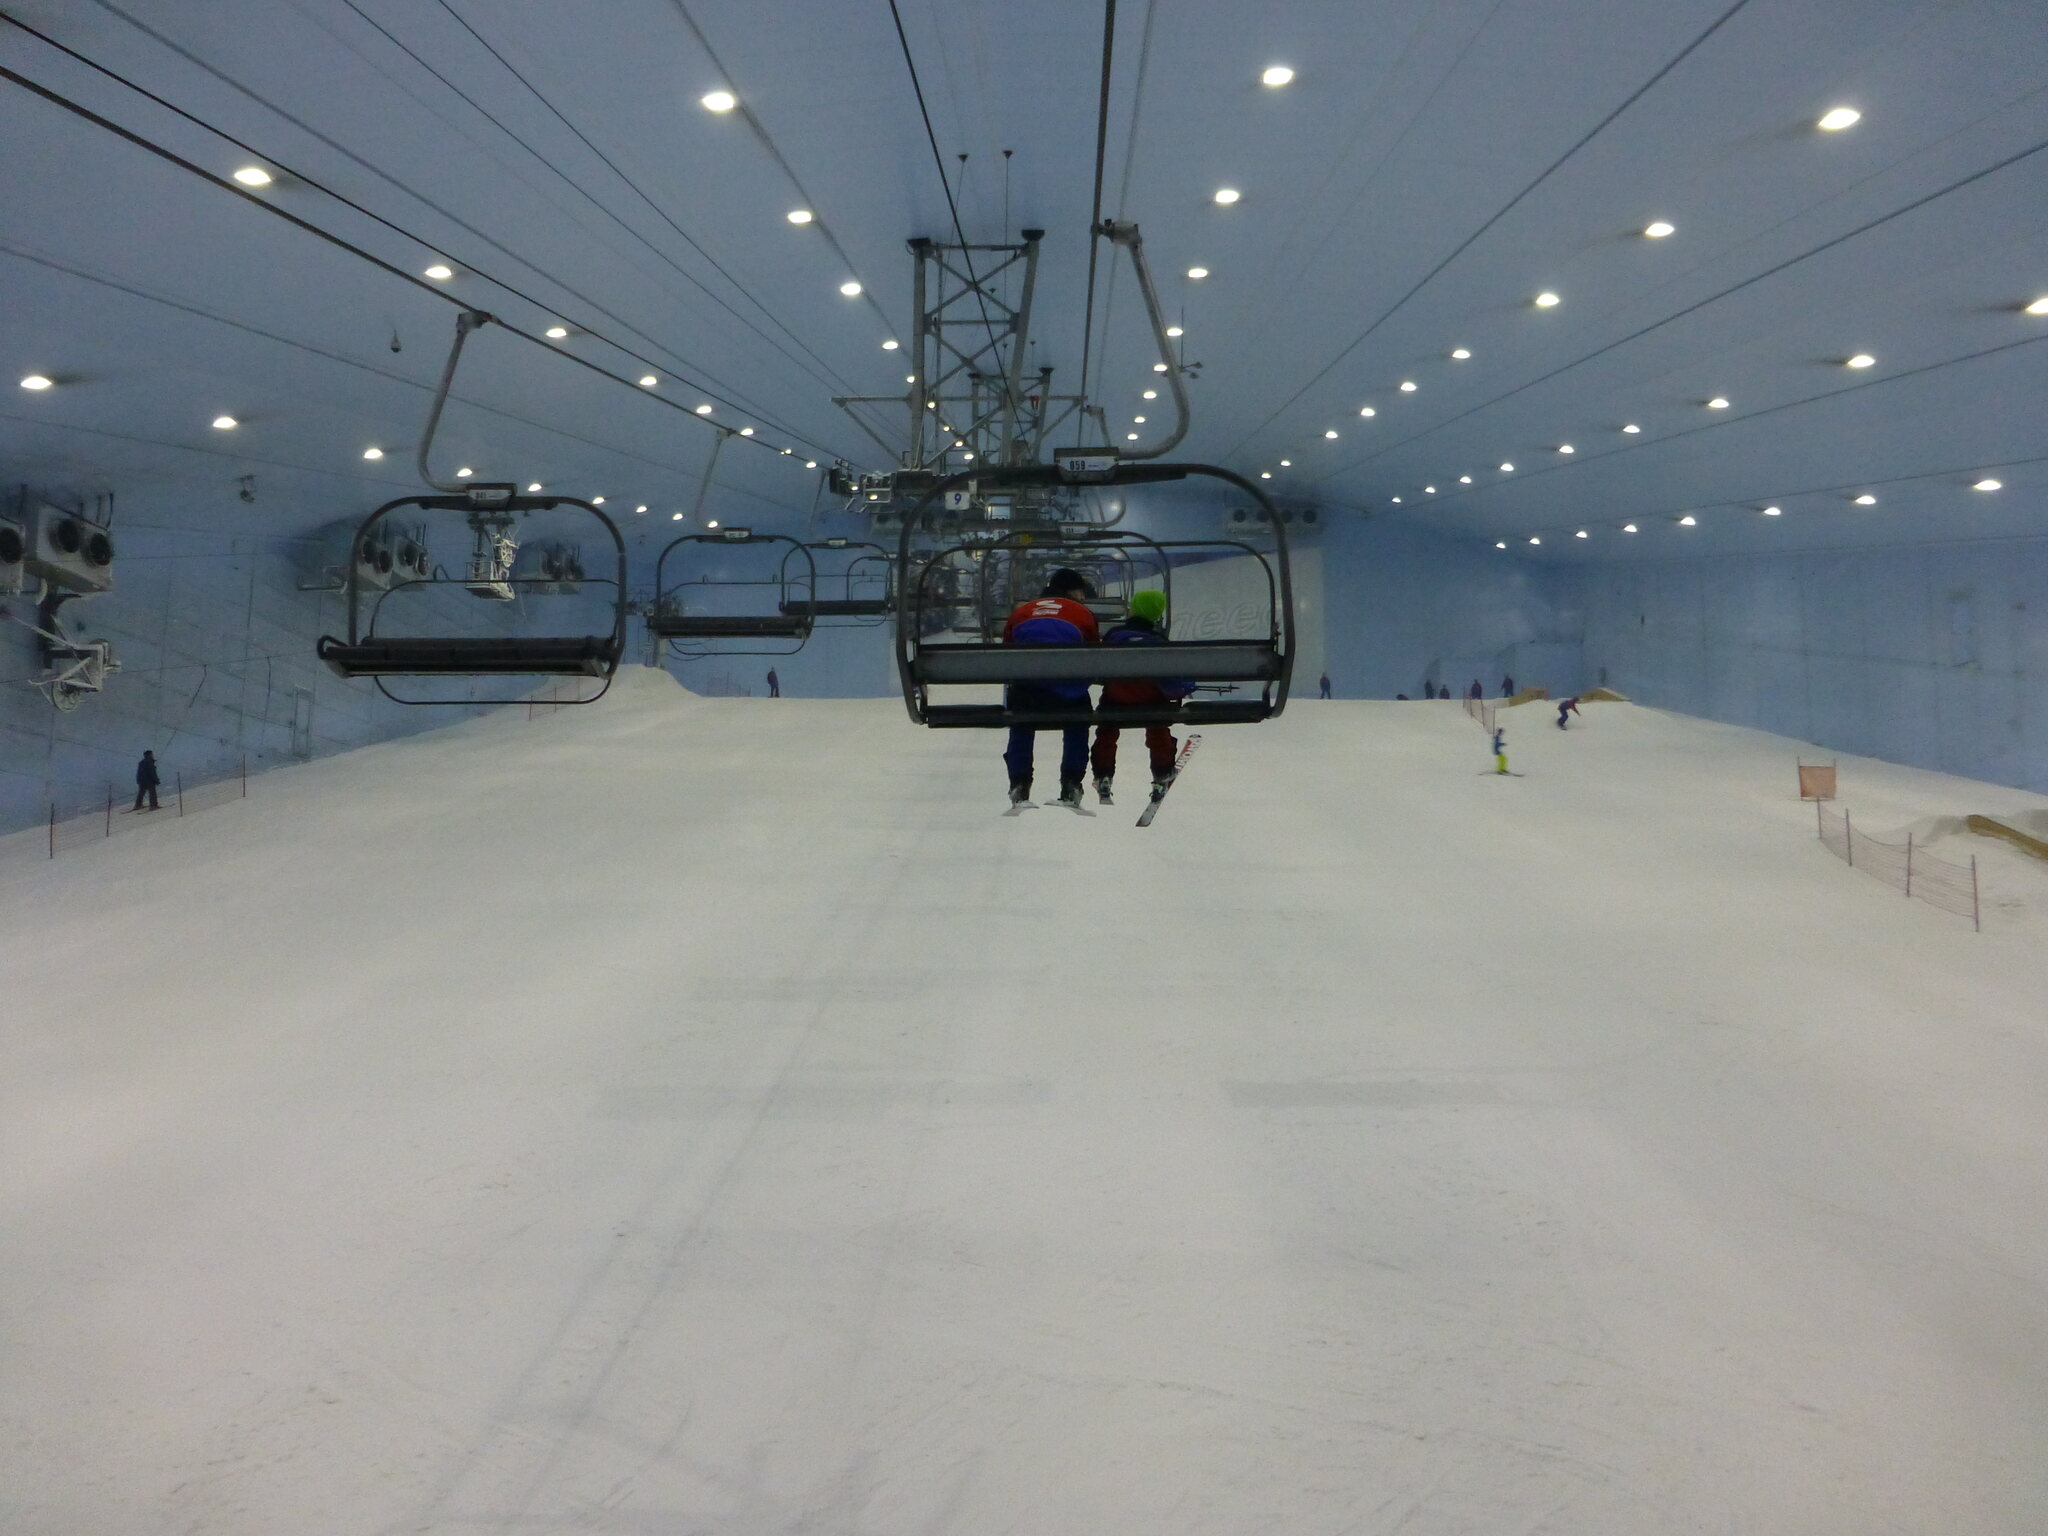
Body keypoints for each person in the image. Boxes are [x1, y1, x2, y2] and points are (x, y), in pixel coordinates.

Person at [1002, 567, 1099, 806]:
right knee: (1078, 718)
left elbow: (1006, 654)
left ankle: (1019, 781)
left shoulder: (1022, 611)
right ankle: (1071, 781)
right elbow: (1095, 656)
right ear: (1071, 591)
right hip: (1068, 696)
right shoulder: (1082, 613)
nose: (1083, 597)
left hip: (1027, 694)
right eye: (1081, 592)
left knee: (1021, 720)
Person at [1089, 589, 1192, 805]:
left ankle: (1103, 773)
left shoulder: (1114, 635)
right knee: (1158, 725)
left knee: (1107, 729)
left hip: (1116, 700)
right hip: (1151, 701)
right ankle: (1162, 770)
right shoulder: (1159, 640)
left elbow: (1100, 669)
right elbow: (1171, 678)